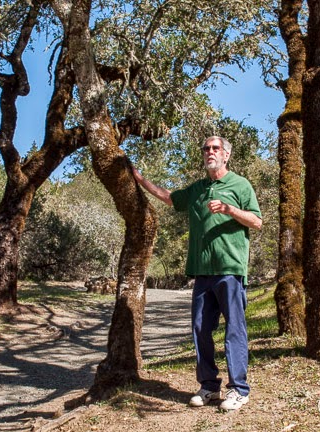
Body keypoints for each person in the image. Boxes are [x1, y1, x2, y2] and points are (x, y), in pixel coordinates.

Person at [131, 136, 262, 411]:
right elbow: (169, 197)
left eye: (215, 148)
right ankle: (209, 387)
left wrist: (229, 209)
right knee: (201, 330)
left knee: (234, 331)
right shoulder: (198, 189)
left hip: (230, 270)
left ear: (226, 155)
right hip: (202, 273)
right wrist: (141, 180)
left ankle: (239, 390)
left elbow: (257, 221)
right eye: (206, 148)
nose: (210, 152)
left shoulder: (240, 184)